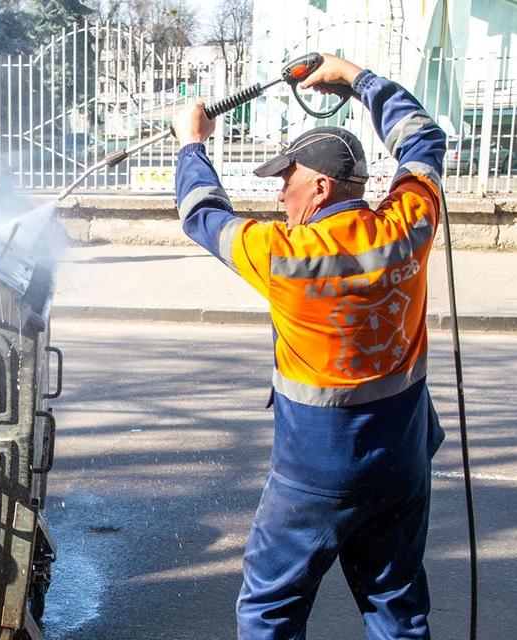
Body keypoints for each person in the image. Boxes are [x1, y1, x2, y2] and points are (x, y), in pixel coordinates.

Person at [172, 54, 447, 638]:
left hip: (315, 475)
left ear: (320, 185)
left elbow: (201, 216)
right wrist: (357, 77)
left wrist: (191, 145)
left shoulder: (284, 255)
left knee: (269, 611)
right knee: (396, 605)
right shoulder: (409, 224)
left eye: (285, 181)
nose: (279, 197)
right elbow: (422, 138)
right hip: (402, 458)